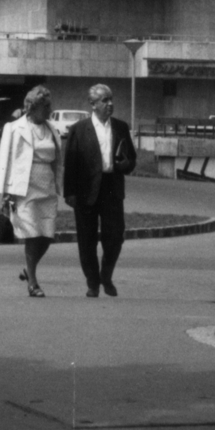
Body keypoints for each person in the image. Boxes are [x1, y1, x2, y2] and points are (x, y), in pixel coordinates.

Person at [63, 83, 137, 297]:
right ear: (93, 104)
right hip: (85, 190)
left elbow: (131, 159)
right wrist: (70, 192)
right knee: (86, 239)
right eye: (105, 100)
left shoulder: (121, 127)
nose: (110, 104)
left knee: (114, 236)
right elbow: (71, 164)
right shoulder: (79, 129)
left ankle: (106, 275)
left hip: (112, 188)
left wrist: (125, 164)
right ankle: (92, 282)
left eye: (111, 99)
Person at [0, 84, 64, 297]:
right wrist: (5, 192)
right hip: (24, 188)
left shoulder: (53, 129)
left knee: (47, 235)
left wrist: (61, 186)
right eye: (45, 106)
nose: (49, 110)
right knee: (32, 234)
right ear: (32, 108)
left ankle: (29, 269)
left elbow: (58, 162)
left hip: (47, 187)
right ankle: (32, 281)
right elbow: (4, 161)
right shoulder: (14, 128)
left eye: (49, 105)